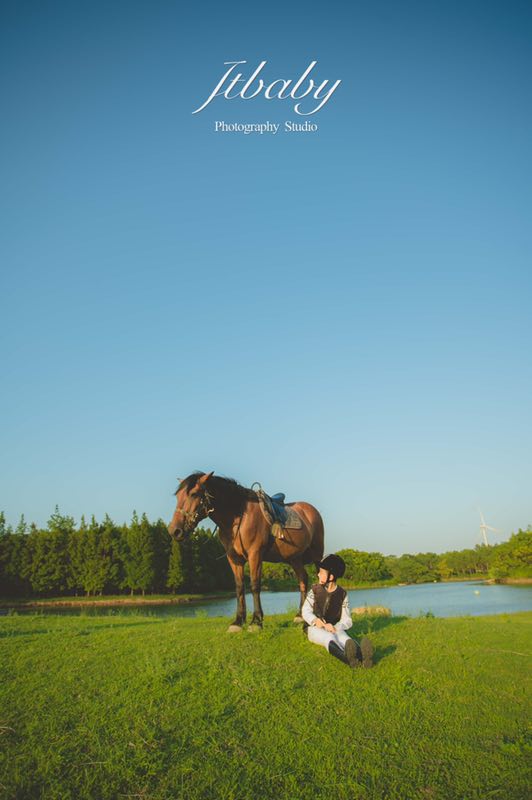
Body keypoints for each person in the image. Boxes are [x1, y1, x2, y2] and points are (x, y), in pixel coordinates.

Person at [302, 554, 374, 669]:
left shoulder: (342, 594)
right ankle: (349, 660)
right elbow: (305, 611)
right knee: (329, 638)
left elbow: (347, 620)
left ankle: (365, 657)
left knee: (345, 639)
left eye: (321, 572)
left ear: (331, 577)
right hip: (313, 628)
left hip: (334, 627)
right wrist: (315, 621)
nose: (318, 574)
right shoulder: (314, 590)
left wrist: (337, 627)